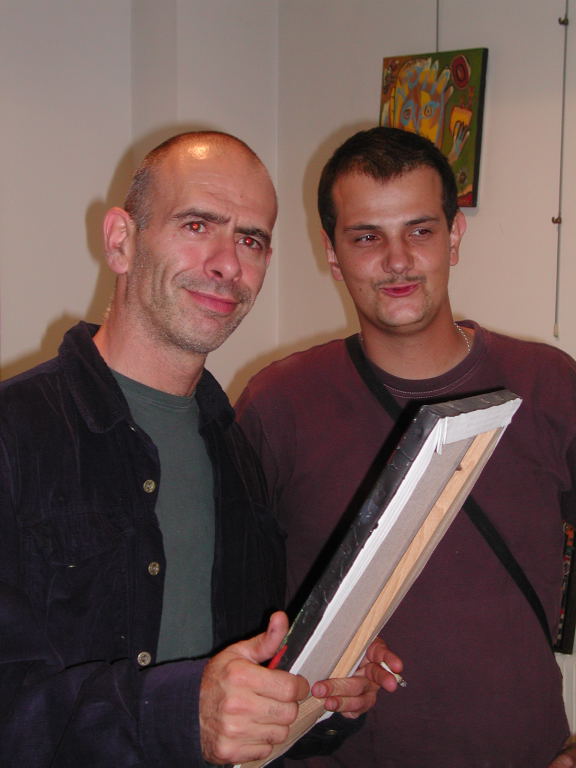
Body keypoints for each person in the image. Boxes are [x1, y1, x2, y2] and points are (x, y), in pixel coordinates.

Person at [0, 131, 401, 767]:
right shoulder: (15, 435)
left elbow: (245, 688)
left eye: (251, 240)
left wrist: (320, 692)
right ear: (121, 240)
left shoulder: (237, 454)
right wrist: (179, 713)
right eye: (197, 225)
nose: (227, 264)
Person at [236, 126, 576, 768]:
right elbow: (232, 609)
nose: (397, 261)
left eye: (420, 231)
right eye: (367, 237)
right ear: (332, 254)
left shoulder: (547, 385)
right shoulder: (280, 404)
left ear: (454, 237)